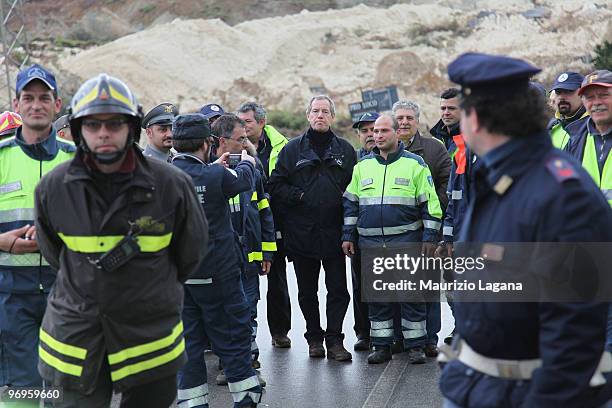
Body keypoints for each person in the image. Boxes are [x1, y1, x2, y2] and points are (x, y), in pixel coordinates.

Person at [438, 53, 612, 408]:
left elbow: (574, 328)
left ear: (476, 120)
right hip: (480, 383)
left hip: (525, 392)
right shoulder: (503, 176)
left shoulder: (560, 192)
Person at [34, 74, 208, 407]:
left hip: (151, 339)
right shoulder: (54, 188)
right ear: (78, 128)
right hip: (76, 339)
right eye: (93, 124)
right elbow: (55, 253)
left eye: (114, 123)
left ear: (131, 126)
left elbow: (190, 254)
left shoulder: (172, 185)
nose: (103, 133)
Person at [171, 113, 262, 407]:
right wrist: (247, 157)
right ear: (208, 143)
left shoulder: (162, 176)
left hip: (181, 281)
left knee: (189, 348)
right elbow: (245, 180)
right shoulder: (216, 175)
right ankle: (246, 400)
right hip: (219, 278)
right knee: (234, 342)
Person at [342, 114, 442, 364]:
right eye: (375, 131)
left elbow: (431, 205)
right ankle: (382, 346)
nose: (377, 135)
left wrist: (430, 237)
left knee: (411, 296)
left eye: (384, 131)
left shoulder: (415, 164)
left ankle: (415, 346)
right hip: (371, 245)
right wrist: (347, 236)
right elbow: (351, 205)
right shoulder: (362, 166)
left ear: (397, 134)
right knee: (378, 298)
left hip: (407, 241)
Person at [0, 63, 75, 395]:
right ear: (17, 104)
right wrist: (2, 241)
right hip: (13, 297)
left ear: (57, 105)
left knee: (67, 390)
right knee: (25, 390)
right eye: (28, 97)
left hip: (68, 295)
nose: (36, 104)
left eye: (44, 97)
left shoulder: (78, 162)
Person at [268, 95, 356, 361]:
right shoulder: (292, 150)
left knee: (339, 291)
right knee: (307, 292)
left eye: (325, 111)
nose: (320, 115)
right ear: (308, 115)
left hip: (335, 234)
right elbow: (275, 186)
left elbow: (355, 189)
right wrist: (300, 196)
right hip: (302, 234)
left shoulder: (346, 150)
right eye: (315, 111)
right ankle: (314, 339)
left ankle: (336, 340)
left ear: (332, 116)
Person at [212, 113, 275, 386]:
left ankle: (248, 360)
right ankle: (229, 363)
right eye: (240, 139)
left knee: (249, 310)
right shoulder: (210, 173)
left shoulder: (252, 169)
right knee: (226, 311)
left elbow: (264, 212)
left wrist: (267, 252)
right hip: (223, 260)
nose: (245, 143)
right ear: (223, 142)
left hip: (250, 259)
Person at [237, 102, 292, 348]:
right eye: (240, 122)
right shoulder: (232, 145)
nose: (243, 126)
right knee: (245, 284)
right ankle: (246, 338)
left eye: (247, 121)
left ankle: (280, 332)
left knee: (277, 280)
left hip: (274, 221)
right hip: (246, 224)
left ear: (261, 122)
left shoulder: (284, 147)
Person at [347, 111, 380, 352]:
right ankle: (364, 333)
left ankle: (391, 334)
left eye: (374, 129)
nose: (370, 135)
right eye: (365, 131)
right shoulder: (353, 161)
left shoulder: (393, 159)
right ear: (359, 136)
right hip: (360, 235)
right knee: (360, 286)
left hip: (390, 234)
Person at [548, 71, 588, 149]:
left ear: (583, 93)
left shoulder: (595, 127)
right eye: (558, 92)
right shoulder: (552, 128)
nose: (561, 97)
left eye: (568, 91)